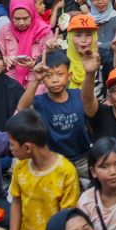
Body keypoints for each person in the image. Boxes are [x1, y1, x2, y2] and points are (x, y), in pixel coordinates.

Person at [6, 109, 80, 230]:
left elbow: (65, 219)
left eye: (12, 144)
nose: (10, 149)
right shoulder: (20, 166)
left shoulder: (65, 172)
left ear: (27, 148)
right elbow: (16, 202)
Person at [16, 49, 95, 177]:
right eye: (49, 76)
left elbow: (91, 104)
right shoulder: (40, 102)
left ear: (69, 76)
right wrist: (36, 80)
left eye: (60, 74)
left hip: (83, 158)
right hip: (55, 161)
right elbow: (22, 108)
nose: (54, 80)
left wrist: (90, 73)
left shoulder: (78, 95)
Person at [0, 0, 52, 88]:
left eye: (26, 18)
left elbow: (52, 64)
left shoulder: (44, 32)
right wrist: (5, 60)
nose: (21, 23)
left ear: (32, 14)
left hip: (38, 82)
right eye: (16, 19)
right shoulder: (5, 31)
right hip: (10, 81)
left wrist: (34, 64)